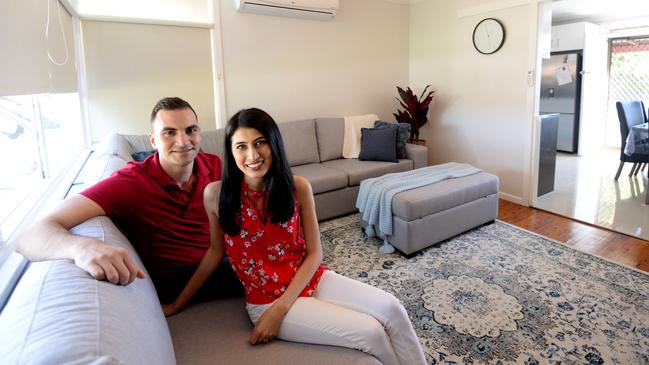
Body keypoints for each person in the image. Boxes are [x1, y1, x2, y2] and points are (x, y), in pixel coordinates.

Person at [165, 108, 427, 364]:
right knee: (371, 333)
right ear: (231, 152)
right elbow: (215, 252)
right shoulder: (216, 195)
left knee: (392, 308)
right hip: (266, 302)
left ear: (274, 144)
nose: (252, 154)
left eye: (260, 143)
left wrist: (280, 311)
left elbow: (315, 254)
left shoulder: (298, 187)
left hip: (310, 278)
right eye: (241, 146)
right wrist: (178, 304)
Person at [15, 97, 241, 313]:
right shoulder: (130, 183)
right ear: (153, 140)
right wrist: (80, 248)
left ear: (199, 133)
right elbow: (28, 237)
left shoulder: (214, 165)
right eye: (169, 133)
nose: (183, 141)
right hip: (179, 280)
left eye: (190, 130)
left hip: (220, 258)